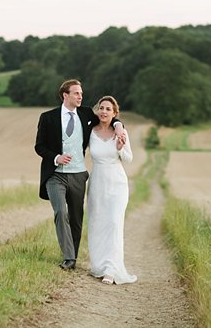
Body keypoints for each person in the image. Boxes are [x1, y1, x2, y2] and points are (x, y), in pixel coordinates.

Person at [35, 80, 124, 270]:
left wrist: (118, 125)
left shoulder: (85, 115)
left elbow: (108, 117)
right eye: (76, 93)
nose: (80, 97)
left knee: (76, 217)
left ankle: (72, 254)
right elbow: (39, 146)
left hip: (78, 175)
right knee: (61, 211)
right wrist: (56, 157)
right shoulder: (47, 117)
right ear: (65, 95)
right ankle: (69, 257)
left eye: (81, 93)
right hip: (55, 175)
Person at [87, 95, 137, 285]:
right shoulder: (90, 131)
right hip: (97, 182)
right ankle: (99, 265)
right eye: (101, 108)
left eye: (108, 109)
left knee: (115, 223)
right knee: (97, 223)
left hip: (117, 183)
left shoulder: (121, 132)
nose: (104, 111)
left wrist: (120, 148)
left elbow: (128, 159)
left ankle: (112, 269)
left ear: (115, 113)